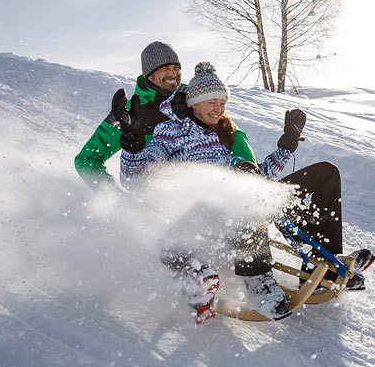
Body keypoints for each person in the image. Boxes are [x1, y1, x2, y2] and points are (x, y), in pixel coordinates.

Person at [118, 62, 295, 323]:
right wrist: (133, 149)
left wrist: (286, 146)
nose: (219, 109)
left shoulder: (225, 134)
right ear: (194, 103)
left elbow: (260, 178)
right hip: (185, 221)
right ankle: (198, 279)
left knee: (248, 192)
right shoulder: (170, 131)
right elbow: (136, 179)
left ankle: (259, 277)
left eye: (222, 102)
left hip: (226, 220)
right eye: (212, 102)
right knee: (226, 198)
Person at [74, 41, 184, 190]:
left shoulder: (193, 98)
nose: (173, 74)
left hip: (200, 196)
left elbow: (225, 132)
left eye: (176, 68)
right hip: (152, 203)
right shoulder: (129, 111)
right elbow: (87, 159)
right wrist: (113, 196)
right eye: (165, 68)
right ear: (149, 74)